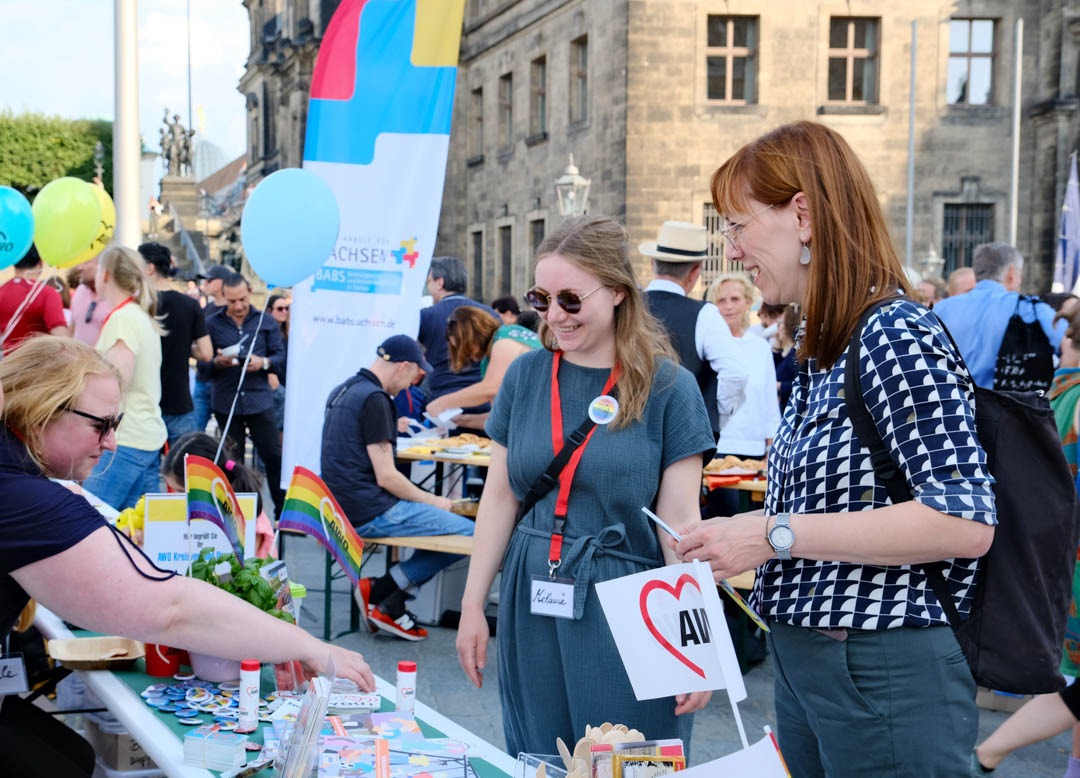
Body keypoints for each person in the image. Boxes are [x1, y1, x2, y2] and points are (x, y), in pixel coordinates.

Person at [675, 121, 996, 776]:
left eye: (738, 226)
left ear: (803, 215)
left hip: (882, 665)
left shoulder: (894, 332)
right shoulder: (830, 344)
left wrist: (772, 534)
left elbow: (963, 521)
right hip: (824, 662)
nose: (732, 250)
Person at [0, 337, 374, 777]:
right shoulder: (25, 497)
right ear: (41, 411)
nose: (113, 442)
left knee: (72, 756)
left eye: (117, 423)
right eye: (102, 425)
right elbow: (169, 609)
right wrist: (310, 647)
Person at [456, 215, 715, 756]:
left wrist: (696, 645)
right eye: (541, 298)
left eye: (571, 299)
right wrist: (473, 605)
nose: (554, 315)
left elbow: (679, 525)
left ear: (618, 292)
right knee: (540, 752)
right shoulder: (525, 376)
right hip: (532, 591)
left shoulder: (670, 388)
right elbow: (500, 497)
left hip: (629, 598)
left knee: (630, 756)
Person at [321, 335, 476, 641]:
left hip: (340, 507)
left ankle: (387, 596)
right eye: (415, 375)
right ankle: (385, 593)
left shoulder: (345, 389)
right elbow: (387, 478)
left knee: (444, 525)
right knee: (472, 534)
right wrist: (433, 500)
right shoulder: (376, 399)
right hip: (369, 510)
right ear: (402, 366)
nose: (411, 385)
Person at [640, 220, 748, 442]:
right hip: (682, 439)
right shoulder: (705, 315)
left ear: (652, 263)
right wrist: (712, 420)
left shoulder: (621, 308)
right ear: (695, 272)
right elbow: (735, 373)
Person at [81, 246, 168, 511]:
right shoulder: (137, 315)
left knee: (90, 518)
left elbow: (116, 384)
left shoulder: (124, 318)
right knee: (141, 528)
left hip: (125, 439)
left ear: (105, 274)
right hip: (141, 436)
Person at [202, 273, 286, 516]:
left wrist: (264, 363)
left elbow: (281, 358)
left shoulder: (265, 322)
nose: (238, 306)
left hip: (259, 400)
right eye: (232, 301)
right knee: (232, 461)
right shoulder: (212, 323)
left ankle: (282, 514)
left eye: (242, 299)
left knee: (273, 456)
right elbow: (203, 368)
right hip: (227, 402)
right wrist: (217, 362)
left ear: (250, 292)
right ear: (222, 297)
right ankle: (238, 515)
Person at [933, 243, 1064, 391]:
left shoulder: (941, 309)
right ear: (1011, 273)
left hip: (952, 400)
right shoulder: (1031, 309)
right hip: (1010, 401)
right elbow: (1070, 343)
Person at [160, 432, 277, 559]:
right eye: (172, 491)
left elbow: (240, 566)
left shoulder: (246, 521)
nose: (175, 498)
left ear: (206, 484)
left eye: (181, 492)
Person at [139, 242, 212, 446]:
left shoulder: (138, 304)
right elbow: (206, 353)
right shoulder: (190, 304)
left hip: (145, 402)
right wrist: (183, 344)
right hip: (179, 400)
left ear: (149, 268)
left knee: (146, 464)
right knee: (182, 461)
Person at [417, 256, 499, 427]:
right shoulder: (490, 315)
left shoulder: (426, 316)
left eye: (429, 282)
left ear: (440, 282)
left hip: (443, 404)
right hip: (483, 404)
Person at [425, 304, 541, 423]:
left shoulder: (504, 342)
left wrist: (441, 403)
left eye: (463, 347)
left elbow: (490, 389)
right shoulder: (498, 346)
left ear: (472, 335)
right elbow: (500, 419)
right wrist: (461, 420)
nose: (466, 354)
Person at [0, 246, 68, 354]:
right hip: (40, 361)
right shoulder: (47, 293)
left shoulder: (2, 291)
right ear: (40, 262)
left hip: (9, 362)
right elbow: (63, 340)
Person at [192, 264, 233, 431]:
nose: (205, 284)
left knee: (229, 436)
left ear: (221, 282)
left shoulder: (235, 310)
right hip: (203, 379)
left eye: (209, 280)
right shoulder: (205, 310)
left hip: (225, 383)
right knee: (194, 433)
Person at [69, 258, 108, 346]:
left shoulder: (117, 296)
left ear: (102, 265)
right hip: (78, 353)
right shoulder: (80, 291)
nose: (79, 268)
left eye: (86, 262)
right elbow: (72, 330)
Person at [267, 293, 290, 436]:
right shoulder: (266, 331)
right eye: (280, 309)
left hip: (286, 388)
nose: (284, 312)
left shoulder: (287, 333)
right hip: (275, 390)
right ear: (269, 310)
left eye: (287, 308)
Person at [773, 303, 799, 409]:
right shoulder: (788, 352)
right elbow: (773, 369)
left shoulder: (795, 353)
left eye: (781, 323)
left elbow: (803, 383)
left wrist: (780, 386)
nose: (778, 328)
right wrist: (777, 347)